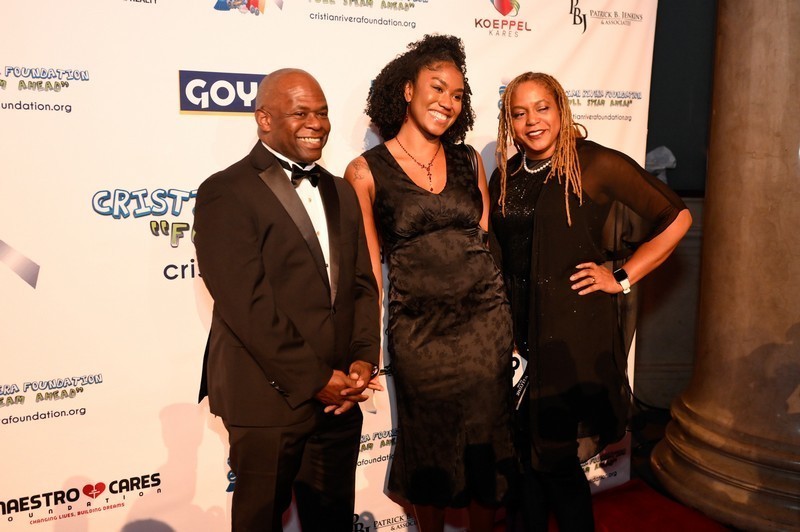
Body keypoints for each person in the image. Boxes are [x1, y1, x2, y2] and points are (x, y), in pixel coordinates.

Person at [489, 72, 693, 531]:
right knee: (524, 458)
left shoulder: (595, 163)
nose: (532, 120)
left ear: (561, 109)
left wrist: (621, 277)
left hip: (571, 333)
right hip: (518, 334)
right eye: (519, 113)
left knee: (555, 460)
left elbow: (676, 217)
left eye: (542, 107)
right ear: (509, 122)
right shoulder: (508, 173)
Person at [194, 68, 381, 531]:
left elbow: (361, 283)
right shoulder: (226, 190)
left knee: (331, 522)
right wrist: (316, 378)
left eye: (322, 112)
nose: (316, 123)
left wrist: (362, 359)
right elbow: (246, 305)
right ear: (264, 118)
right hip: (266, 398)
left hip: (339, 398)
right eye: (301, 113)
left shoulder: (340, 190)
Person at [344, 35, 515, 532]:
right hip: (419, 331)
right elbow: (369, 273)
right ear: (407, 90)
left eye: (457, 94)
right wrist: (364, 349)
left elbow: (484, 241)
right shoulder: (365, 172)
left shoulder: (469, 160)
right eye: (437, 87)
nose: (447, 101)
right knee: (428, 442)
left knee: (488, 439)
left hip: (486, 323)